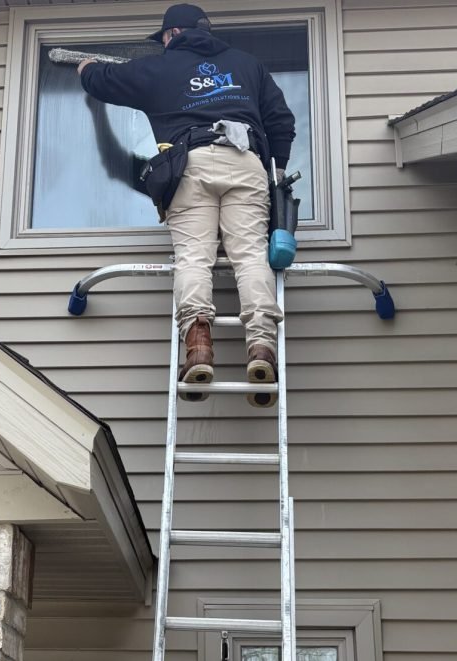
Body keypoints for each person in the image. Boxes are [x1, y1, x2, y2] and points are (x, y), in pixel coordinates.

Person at [78, 3, 295, 407]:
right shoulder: (247, 65)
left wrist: (86, 68)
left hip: (188, 164)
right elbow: (281, 121)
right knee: (250, 256)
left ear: (172, 34)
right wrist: (275, 172)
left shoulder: (160, 68)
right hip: (246, 161)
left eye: (162, 37)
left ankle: (198, 349)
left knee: (194, 258)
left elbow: (106, 82)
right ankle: (262, 347)